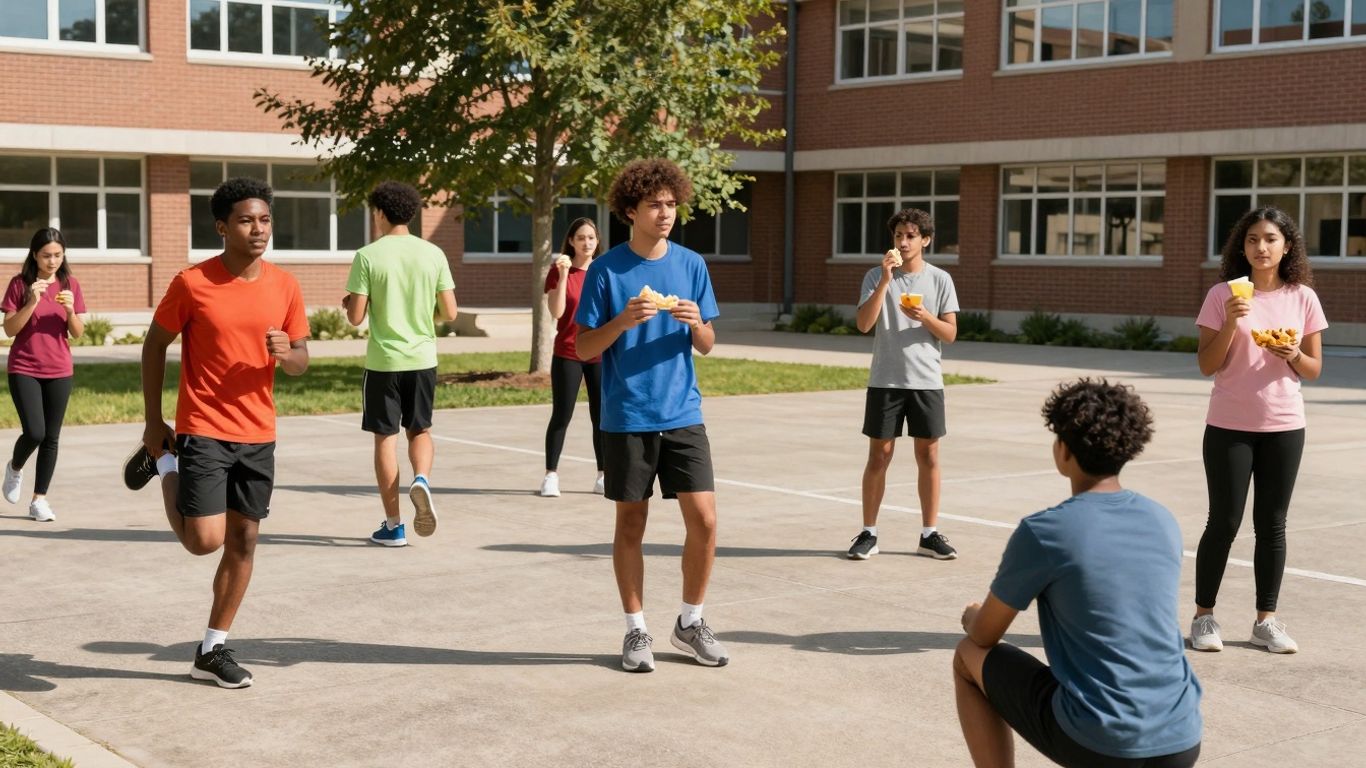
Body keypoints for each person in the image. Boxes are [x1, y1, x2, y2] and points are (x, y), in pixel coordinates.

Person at [953, 379, 1202, 768]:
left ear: (1063, 450)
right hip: (1181, 736)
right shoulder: (1162, 520)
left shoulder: (1046, 532)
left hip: (1100, 741)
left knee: (968, 655)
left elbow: (985, 633)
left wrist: (971, 616)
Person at [122, 177, 310, 689]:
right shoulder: (192, 283)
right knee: (204, 541)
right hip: (202, 426)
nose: (259, 229)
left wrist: (285, 352)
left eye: (265, 219)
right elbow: (154, 345)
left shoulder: (285, 286)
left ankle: (212, 648)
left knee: (244, 540)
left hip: (259, 432)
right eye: (247, 220)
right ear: (222, 226)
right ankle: (162, 460)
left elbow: (300, 363)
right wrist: (154, 421)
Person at [574, 158, 728, 673]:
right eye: (655, 205)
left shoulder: (691, 264)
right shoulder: (606, 269)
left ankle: (690, 621)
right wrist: (621, 320)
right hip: (629, 414)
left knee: (705, 520)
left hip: (683, 410)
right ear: (630, 211)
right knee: (631, 523)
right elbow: (583, 346)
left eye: (671, 204)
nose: (666, 213)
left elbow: (707, 343)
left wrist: (694, 324)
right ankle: (635, 631)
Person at [1190, 206, 1327, 655]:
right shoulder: (1221, 295)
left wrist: (1290, 354)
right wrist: (1231, 319)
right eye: (1252, 239)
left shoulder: (1303, 296)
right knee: (1224, 522)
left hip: (1285, 424)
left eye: (1270, 239)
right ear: (1241, 246)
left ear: (1287, 246)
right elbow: (1207, 364)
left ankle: (1265, 620)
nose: (1261, 247)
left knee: (1272, 524)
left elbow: (1313, 369)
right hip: (1229, 424)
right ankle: (1203, 617)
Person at [343, 181, 457, 547]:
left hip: (384, 363)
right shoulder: (433, 254)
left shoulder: (367, 256)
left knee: (385, 440)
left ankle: (394, 525)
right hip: (422, 359)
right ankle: (421, 478)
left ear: (379, 213)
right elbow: (450, 312)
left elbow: (356, 317)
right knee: (420, 431)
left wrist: (351, 303)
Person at [846, 208, 959, 561]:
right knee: (879, 455)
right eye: (898, 236)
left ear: (925, 240)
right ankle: (868, 532)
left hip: (926, 381)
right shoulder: (876, 276)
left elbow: (951, 334)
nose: (904, 242)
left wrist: (925, 317)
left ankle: (929, 533)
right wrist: (884, 280)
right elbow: (864, 324)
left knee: (928, 455)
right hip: (885, 379)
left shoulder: (940, 279)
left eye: (911, 236)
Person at [2, 228, 87, 522]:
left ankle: (39, 500)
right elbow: (10, 329)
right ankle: (14, 467)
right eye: (46, 255)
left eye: (58, 255)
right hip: (24, 367)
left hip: (60, 369)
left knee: (51, 437)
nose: (52, 261)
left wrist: (71, 311)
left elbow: (77, 333)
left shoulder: (69, 284)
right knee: (35, 432)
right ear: (35, 255)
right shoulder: (20, 284)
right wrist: (32, 302)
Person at [540, 216, 605, 498]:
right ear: (571, 241)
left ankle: (603, 475)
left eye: (591, 237)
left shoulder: (605, 270)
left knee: (601, 416)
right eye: (581, 238)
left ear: (597, 241)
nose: (587, 243)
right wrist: (565, 274)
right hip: (568, 351)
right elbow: (556, 311)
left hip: (601, 352)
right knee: (561, 415)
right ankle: (550, 476)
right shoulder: (558, 271)